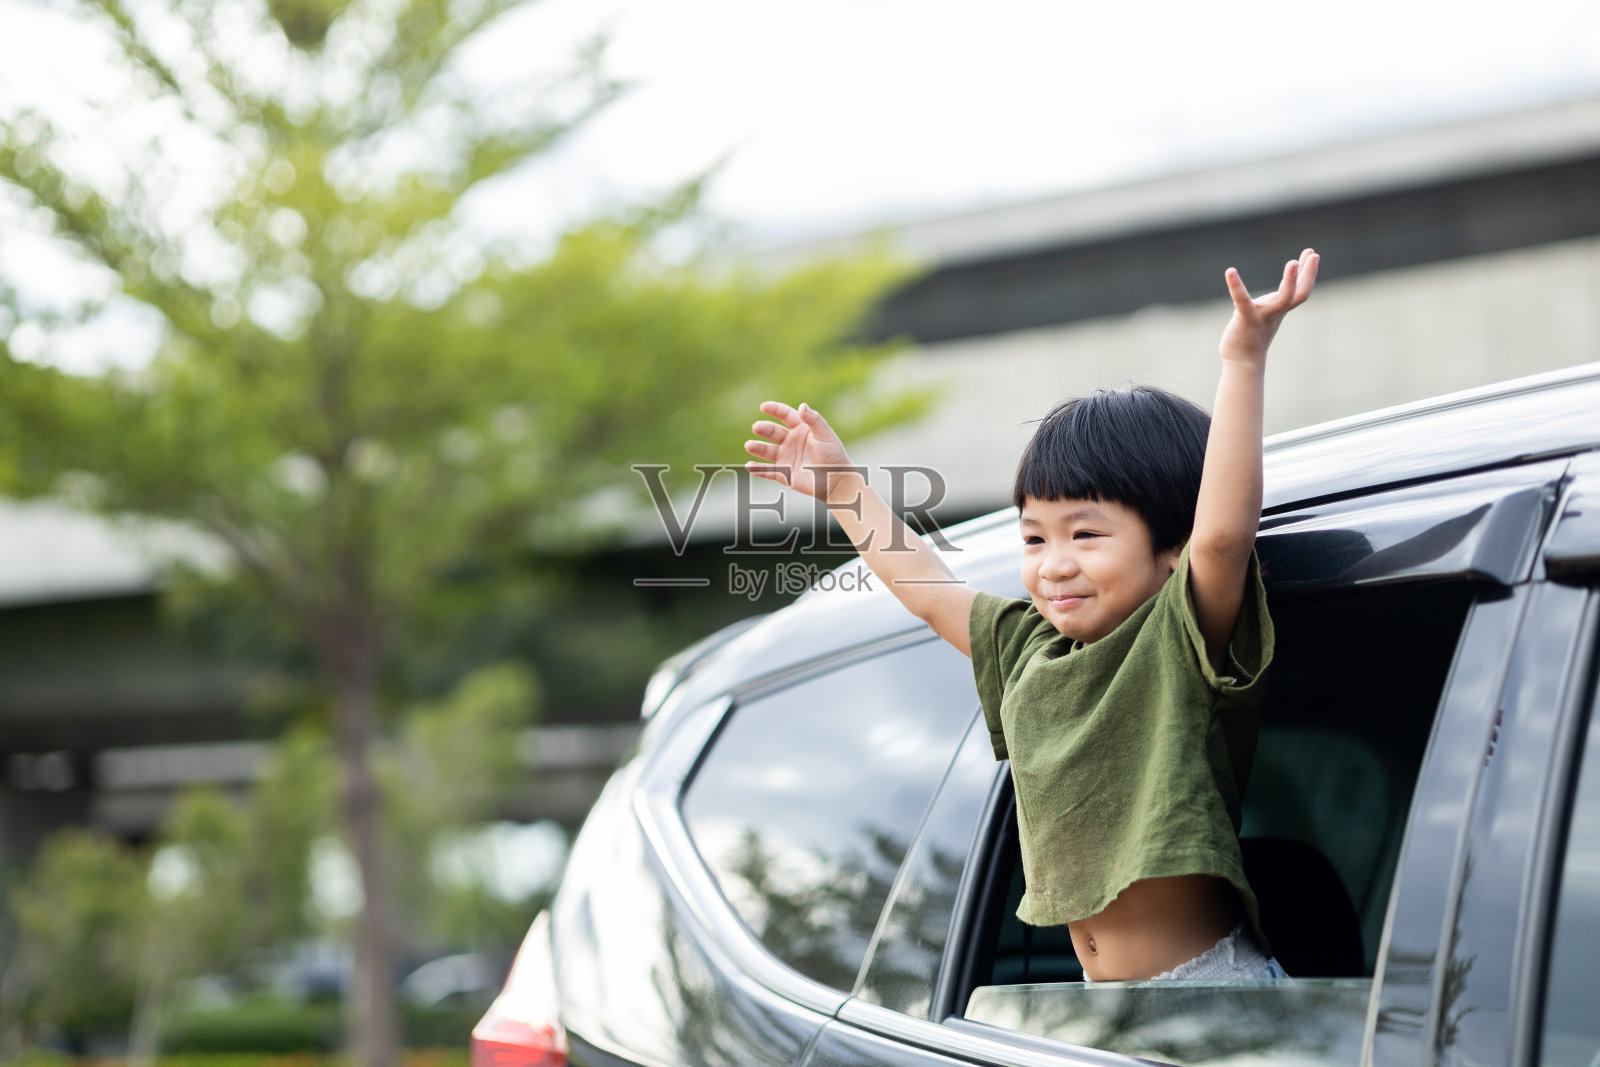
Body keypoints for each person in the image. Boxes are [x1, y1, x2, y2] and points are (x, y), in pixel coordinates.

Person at [742, 248, 1320, 982]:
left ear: (1171, 549)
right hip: (1099, 1007)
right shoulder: (1029, 649)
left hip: (1206, 993)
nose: (1053, 562)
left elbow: (1225, 534)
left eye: (1085, 534)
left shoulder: (1181, 632)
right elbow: (928, 591)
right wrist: (843, 489)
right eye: (1034, 538)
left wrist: (1243, 360)